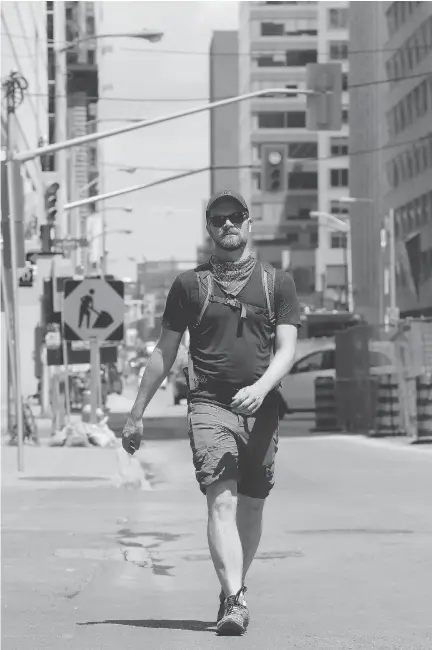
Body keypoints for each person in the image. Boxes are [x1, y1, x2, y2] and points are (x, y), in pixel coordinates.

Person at [122, 190, 300, 636]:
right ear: (209, 229)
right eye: (218, 219)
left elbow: (288, 349)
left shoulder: (278, 283)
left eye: (235, 217)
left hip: (262, 408)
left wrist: (262, 388)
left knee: (253, 506)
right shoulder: (189, 285)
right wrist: (136, 413)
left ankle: (231, 588)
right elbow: (165, 353)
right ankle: (237, 600)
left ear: (248, 223)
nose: (227, 225)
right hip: (209, 405)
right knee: (221, 498)